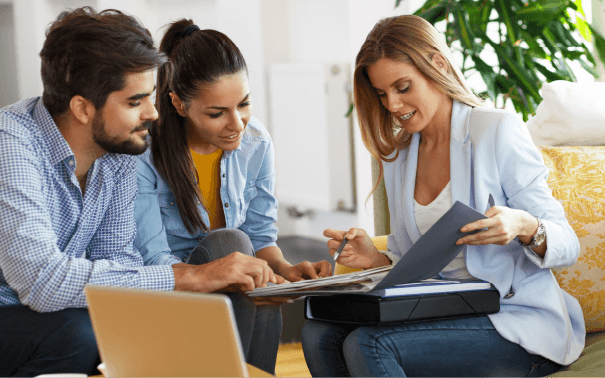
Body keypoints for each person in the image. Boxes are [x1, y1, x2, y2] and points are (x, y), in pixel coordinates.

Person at [0, 8, 280, 376]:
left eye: (151, 97)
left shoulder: (118, 152)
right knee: (84, 335)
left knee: (125, 331)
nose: (153, 112)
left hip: (51, 313)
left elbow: (120, 263)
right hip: (14, 310)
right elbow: (42, 283)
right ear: (82, 108)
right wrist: (192, 277)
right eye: (135, 102)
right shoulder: (12, 146)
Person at [301, 15, 585, 377]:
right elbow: (416, 260)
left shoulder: (495, 130)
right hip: (441, 310)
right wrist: (375, 258)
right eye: (382, 93)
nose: (392, 105)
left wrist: (524, 225)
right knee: (318, 333)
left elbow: (568, 242)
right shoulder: (400, 154)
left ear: (436, 64)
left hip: (511, 319)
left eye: (403, 87)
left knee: (368, 343)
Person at [133, 19, 333, 374]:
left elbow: (261, 238)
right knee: (232, 244)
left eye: (243, 104)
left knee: (255, 273)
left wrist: (285, 270)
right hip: (171, 292)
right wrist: (220, 269)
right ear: (178, 104)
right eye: (217, 113)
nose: (237, 124)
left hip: (232, 291)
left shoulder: (256, 142)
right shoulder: (145, 153)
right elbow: (154, 261)